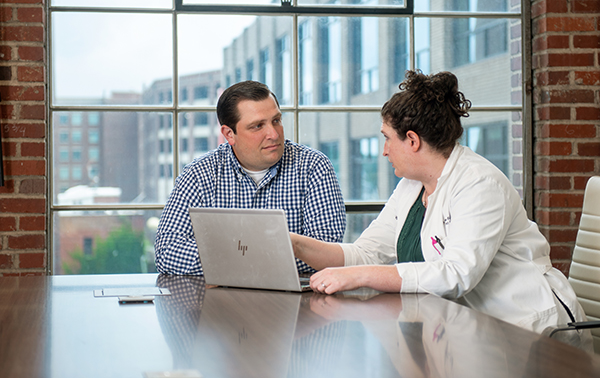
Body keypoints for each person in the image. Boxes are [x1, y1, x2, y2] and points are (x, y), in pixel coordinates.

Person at [290, 70, 591, 341]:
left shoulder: (479, 183)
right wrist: (294, 244)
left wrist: (361, 276)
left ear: (412, 140)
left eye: (386, 139)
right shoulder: (411, 184)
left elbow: (456, 274)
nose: (383, 151)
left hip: (530, 331)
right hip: (468, 331)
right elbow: (366, 252)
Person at [155, 80, 346, 275]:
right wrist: (264, 258)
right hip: (219, 300)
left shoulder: (313, 166)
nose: (273, 134)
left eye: (276, 121)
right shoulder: (199, 174)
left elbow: (328, 251)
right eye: (257, 126)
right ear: (229, 134)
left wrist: (227, 259)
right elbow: (167, 251)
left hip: (296, 302)